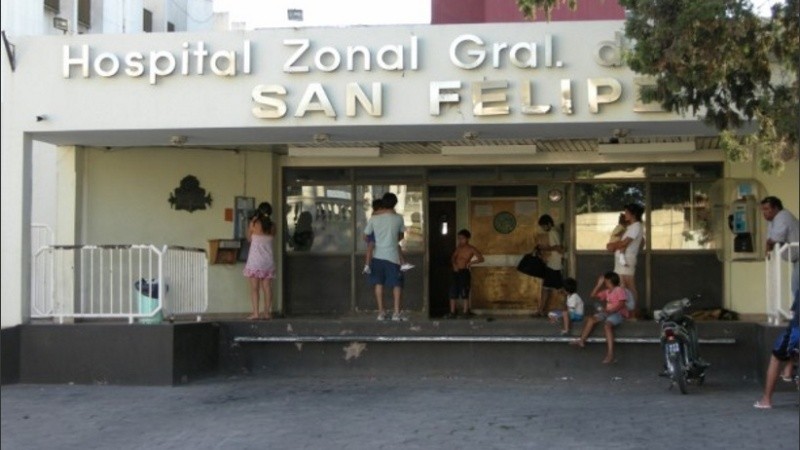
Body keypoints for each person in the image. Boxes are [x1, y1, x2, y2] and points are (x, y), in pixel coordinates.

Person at [754, 196, 800, 409]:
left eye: (767, 209)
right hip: (795, 260)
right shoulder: (775, 219)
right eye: (762, 210)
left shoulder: (782, 216)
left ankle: (769, 396)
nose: (765, 213)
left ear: (776, 208)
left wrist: (768, 245)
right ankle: (789, 369)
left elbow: (775, 238)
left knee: (796, 301)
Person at [364, 192, 407, 321]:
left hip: (377, 256)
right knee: (397, 285)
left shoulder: (374, 218)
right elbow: (401, 236)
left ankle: (381, 313)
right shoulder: (398, 218)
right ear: (395, 203)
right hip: (393, 257)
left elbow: (366, 235)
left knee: (378, 284)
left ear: (383, 203)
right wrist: (392, 240)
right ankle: (396, 313)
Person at [570, 271, 629, 364]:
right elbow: (592, 295)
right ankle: (582, 340)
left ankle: (610, 354)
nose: (604, 283)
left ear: (610, 281)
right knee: (591, 319)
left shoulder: (619, 290)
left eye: (605, 281)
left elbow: (622, 304)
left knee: (607, 326)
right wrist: (598, 285)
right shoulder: (607, 291)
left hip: (618, 313)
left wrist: (611, 311)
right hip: (607, 312)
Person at [606, 203, 644, 318]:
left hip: (627, 259)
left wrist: (612, 246)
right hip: (621, 259)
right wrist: (614, 246)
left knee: (629, 286)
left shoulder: (636, 226)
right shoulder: (630, 227)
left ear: (633, 214)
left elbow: (625, 243)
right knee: (621, 285)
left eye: (627, 212)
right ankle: (624, 311)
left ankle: (633, 312)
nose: (625, 214)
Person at [243, 202, 275, 320]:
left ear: (259, 211)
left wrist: (252, 223)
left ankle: (256, 313)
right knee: (267, 288)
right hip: (268, 261)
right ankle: (267, 313)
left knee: (254, 288)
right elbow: (271, 237)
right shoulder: (273, 226)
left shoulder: (254, 224)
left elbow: (248, 238)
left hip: (255, 261)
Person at [363, 198, 413, 275]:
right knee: (370, 247)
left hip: (377, 235)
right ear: (380, 207)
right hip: (375, 234)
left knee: (396, 246)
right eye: (383, 208)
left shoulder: (376, 214)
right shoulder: (376, 214)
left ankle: (403, 263)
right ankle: (367, 265)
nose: (385, 210)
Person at [446, 229, 484, 319]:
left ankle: (465, 311)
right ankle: (452, 312)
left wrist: (470, 263)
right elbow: (453, 257)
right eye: (459, 238)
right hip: (455, 271)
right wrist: (454, 264)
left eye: (462, 238)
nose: (460, 240)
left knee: (464, 291)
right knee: (453, 291)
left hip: (464, 271)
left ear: (467, 239)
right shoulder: (458, 248)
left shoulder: (471, 248)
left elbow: (481, 258)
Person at [533, 214, 564, 317]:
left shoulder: (552, 232)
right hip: (553, 264)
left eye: (543, 226)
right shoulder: (555, 232)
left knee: (558, 289)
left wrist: (544, 248)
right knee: (546, 288)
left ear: (549, 224)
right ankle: (540, 310)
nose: (543, 228)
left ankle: (570, 308)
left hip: (554, 265)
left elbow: (558, 248)